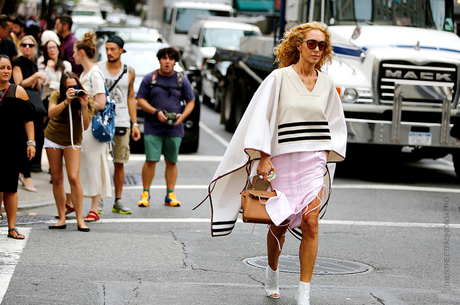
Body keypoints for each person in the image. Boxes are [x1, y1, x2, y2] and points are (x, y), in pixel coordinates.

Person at [196, 22, 347, 305]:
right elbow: (261, 118)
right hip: (282, 160)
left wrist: (328, 153)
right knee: (278, 224)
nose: (316, 50)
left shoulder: (327, 84)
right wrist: (264, 156)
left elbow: (335, 123)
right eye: (311, 44)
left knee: (311, 222)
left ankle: (304, 292)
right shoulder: (278, 78)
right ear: (299, 46)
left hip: (313, 160)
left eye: (322, 45)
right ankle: (272, 272)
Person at [136, 47, 195, 208]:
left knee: (171, 161)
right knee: (151, 160)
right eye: (164, 58)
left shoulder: (181, 79)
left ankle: (170, 194)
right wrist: (156, 112)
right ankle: (145, 193)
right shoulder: (151, 78)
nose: (167, 61)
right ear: (160, 60)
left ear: (175, 61)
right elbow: (140, 99)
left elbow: (191, 101)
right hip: (153, 127)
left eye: (170, 59)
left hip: (174, 127)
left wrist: (182, 116)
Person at [63, 31, 111, 222]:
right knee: (83, 165)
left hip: (93, 126)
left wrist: (84, 100)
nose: (73, 55)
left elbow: (102, 103)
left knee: (93, 165)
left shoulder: (95, 74)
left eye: (75, 52)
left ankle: (94, 207)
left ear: (82, 52)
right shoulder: (85, 73)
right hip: (84, 125)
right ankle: (76, 203)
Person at [97, 35, 141, 215]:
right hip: (101, 122)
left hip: (122, 121)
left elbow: (131, 97)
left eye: (113, 49)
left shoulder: (129, 71)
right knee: (99, 162)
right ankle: (97, 200)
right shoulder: (98, 69)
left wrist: (135, 123)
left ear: (121, 50)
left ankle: (118, 200)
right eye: (107, 49)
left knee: (119, 163)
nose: (109, 52)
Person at [46, 72, 93, 232]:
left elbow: (85, 126)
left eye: (75, 86)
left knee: (73, 177)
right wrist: (66, 101)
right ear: (63, 87)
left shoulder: (85, 97)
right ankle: (61, 217)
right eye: (69, 87)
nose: (73, 90)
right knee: (57, 178)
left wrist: (84, 106)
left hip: (73, 140)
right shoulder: (57, 95)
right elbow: (51, 114)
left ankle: (80, 219)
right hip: (53, 138)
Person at [0, 54, 36, 239]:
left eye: (8, 68)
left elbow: (29, 119)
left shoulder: (18, 91)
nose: (6, 71)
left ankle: (12, 227)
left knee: (10, 188)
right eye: (2, 68)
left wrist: (31, 142)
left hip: (12, 146)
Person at [12, 35, 47, 188]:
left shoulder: (33, 63)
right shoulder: (17, 62)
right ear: (20, 45)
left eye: (30, 45)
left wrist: (39, 80)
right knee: (23, 138)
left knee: (32, 139)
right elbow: (19, 83)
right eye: (24, 44)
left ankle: (24, 173)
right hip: (20, 103)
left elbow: (37, 88)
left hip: (33, 104)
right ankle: (25, 175)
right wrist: (35, 76)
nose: (27, 47)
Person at [38, 30, 72, 99]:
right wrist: (48, 67)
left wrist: (50, 84)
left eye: (54, 47)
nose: (52, 50)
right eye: (49, 48)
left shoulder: (66, 65)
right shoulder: (41, 64)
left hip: (62, 96)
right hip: (47, 98)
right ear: (46, 51)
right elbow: (43, 82)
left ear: (58, 50)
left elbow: (66, 84)